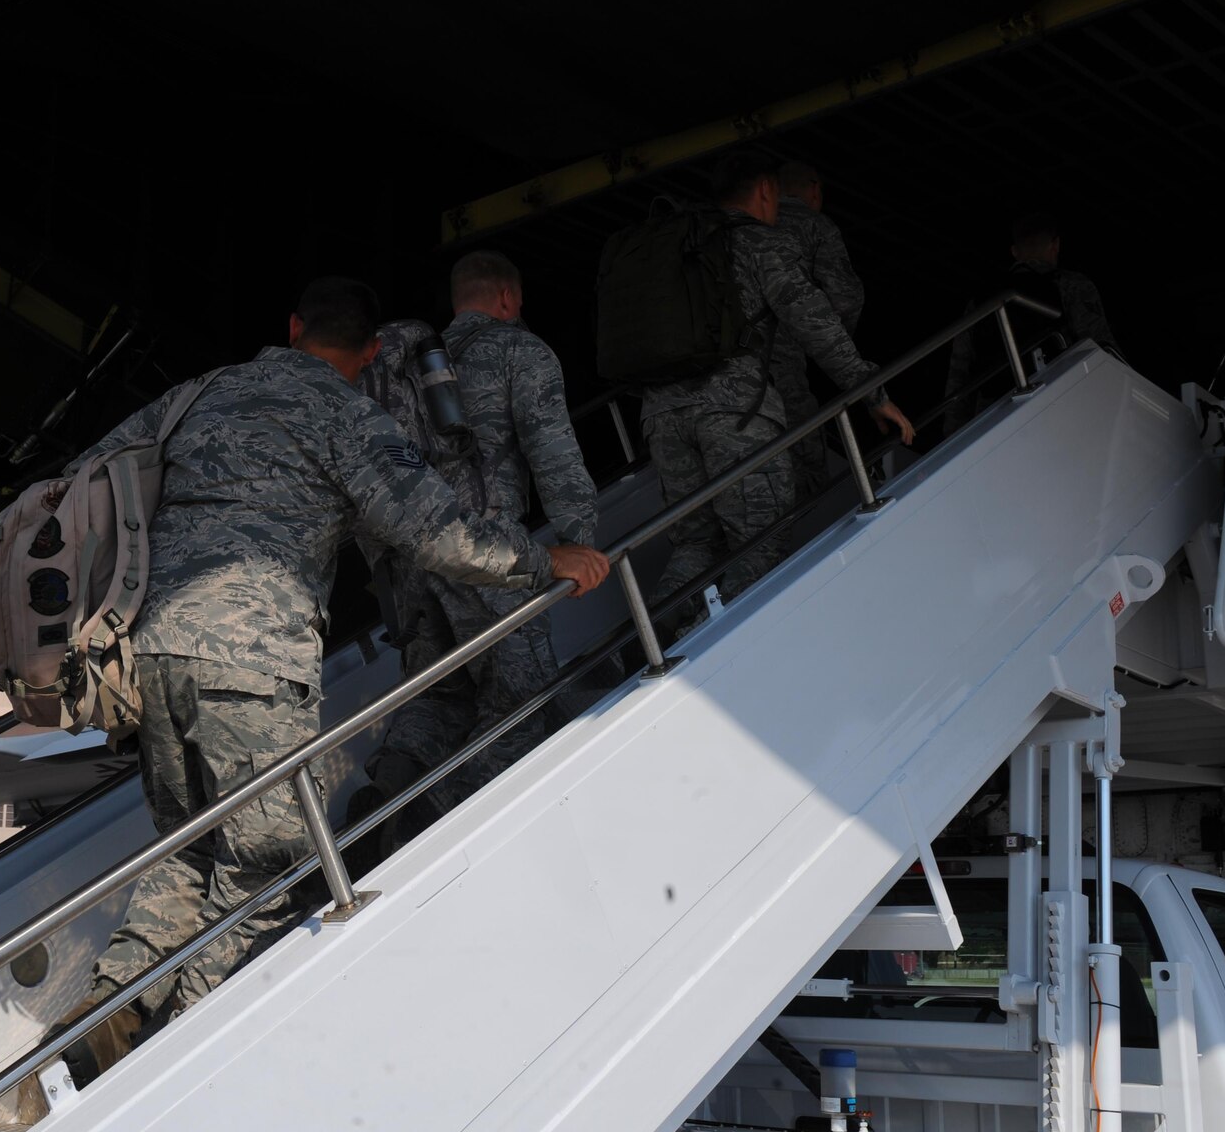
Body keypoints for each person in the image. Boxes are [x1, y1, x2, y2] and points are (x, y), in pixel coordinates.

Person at [62, 277, 609, 1074]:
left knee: (190, 850)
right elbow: (438, 532)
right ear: (373, 353)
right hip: (253, 660)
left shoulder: (199, 394)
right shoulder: (348, 415)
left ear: (291, 326)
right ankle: (173, 1048)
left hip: (151, 658)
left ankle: (107, 1011)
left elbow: (88, 474)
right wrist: (540, 558)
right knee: (274, 867)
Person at [355, 250, 600, 847]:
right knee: (525, 700)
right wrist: (581, 543)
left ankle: (389, 792)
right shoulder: (520, 351)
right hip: (485, 556)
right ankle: (429, 816)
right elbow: (556, 456)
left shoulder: (409, 366)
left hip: (409, 558)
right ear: (508, 299)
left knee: (440, 693)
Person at [642, 152, 911, 628]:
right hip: (734, 411)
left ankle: (650, 634)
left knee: (697, 542)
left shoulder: (674, 249)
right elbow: (818, 324)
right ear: (766, 190)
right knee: (761, 538)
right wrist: (873, 393)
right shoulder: (755, 242)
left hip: (661, 413)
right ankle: (699, 642)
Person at [764, 162, 907, 498]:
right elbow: (845, 296)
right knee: (808, 464)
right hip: (796, 363)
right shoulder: (814, 225)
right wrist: (831, 347)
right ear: (814, 189)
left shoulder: (751, 229)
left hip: (744, 373)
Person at [943, 212, 1118, 430]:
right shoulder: (1072, 286)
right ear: (1056, 245)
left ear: (1015, 252)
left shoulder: (983, 301)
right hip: (1060, 405)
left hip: (992, 417)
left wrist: (952, 432)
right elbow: (1100, 349)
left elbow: (960, 374)